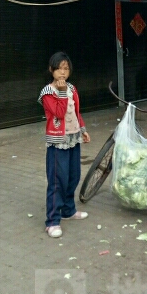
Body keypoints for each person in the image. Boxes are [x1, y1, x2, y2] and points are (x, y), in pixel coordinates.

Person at [38, 51, 90, 238]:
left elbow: (76, 111)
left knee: (73, 176)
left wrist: (83, 130)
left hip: (73, 138)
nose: (62, 73)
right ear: (52, 70)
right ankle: (52, 221)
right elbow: (59, 113)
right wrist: (60, 92)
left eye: (66, 69)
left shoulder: (72, 89)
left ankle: (68, 210)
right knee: (57, 180)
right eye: (59, 68)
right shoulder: (48, 92)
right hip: (57, 141)